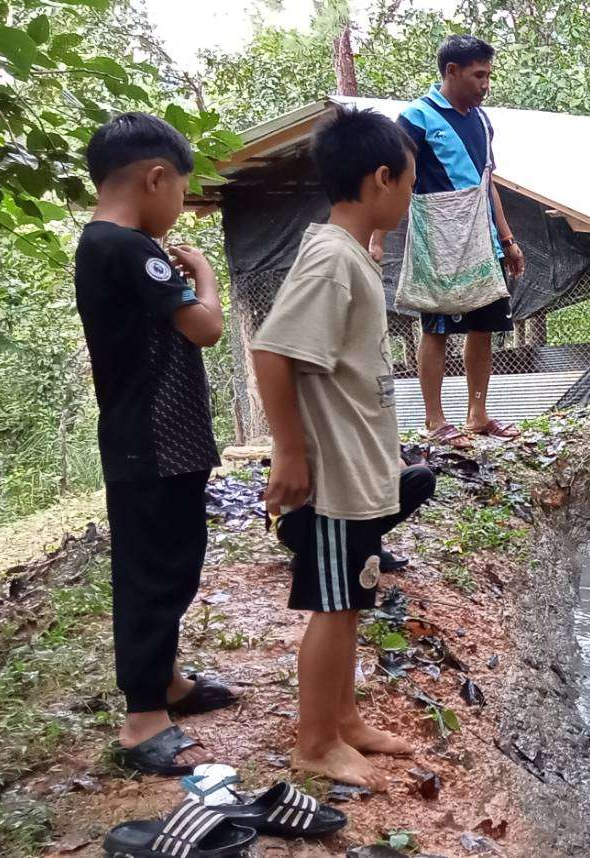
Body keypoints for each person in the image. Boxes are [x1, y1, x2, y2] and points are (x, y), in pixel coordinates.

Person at [252, 107, 438, 790]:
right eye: (410, 183)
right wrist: (290, 453)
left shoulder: (351, 257)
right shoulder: (332, 259)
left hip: (358, 471)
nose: (411, 197)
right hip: (330, 480)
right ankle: (315, 743)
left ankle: (346, 719)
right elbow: (272, 351)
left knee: (352, 597)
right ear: (381, 178)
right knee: (332, 607)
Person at [76, 113, 238, 776]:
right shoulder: (127, 246)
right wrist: (203, 273)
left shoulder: (108, 246)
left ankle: (168, 683)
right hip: (151, 441)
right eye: (181, 192)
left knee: (171, 562)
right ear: (155, 177)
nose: (178, 207)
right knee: (151, 575)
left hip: (155, 441)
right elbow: (205, 328)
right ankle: (144, 719)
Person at [378, 34, 525, 445]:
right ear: (452, 71)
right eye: (479, 75)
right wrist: (377, 237)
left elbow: (487, 182)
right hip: (440, 240)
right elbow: (391, 180)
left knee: (484, 328)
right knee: (437, 327)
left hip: (483, 240)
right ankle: (435, 419)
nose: (485, 84)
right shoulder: (416, 119)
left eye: (489, 76)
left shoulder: (482, 121)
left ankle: (478, 414)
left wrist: (508, 239)